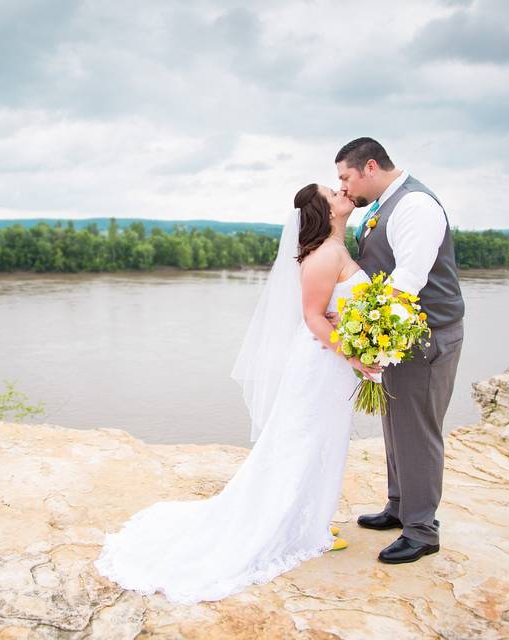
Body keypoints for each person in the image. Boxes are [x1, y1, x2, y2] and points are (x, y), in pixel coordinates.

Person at [93, 183, 381, 605]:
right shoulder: (324, 255)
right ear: (326, 211)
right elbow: (312, 318)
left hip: (332, 365)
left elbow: (330, 309)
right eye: (332, 192)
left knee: (324, 441)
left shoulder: (336, 249)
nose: (343, 193)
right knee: (302, 442)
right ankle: (297, 528)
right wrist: (354, 355)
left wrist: (355, 327)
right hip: (322, 366)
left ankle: (309, 520)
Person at [334, 137, 464, 564]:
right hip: (399, 333)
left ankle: (422, 530)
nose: (344, 186)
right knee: (396, 424)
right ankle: (399, 506)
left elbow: (408, 278)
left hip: (424, 335)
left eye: (346, 177)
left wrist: (369, 335)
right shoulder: (384, 204)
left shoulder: (415, 206)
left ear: (370, 167)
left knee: (417, 428)